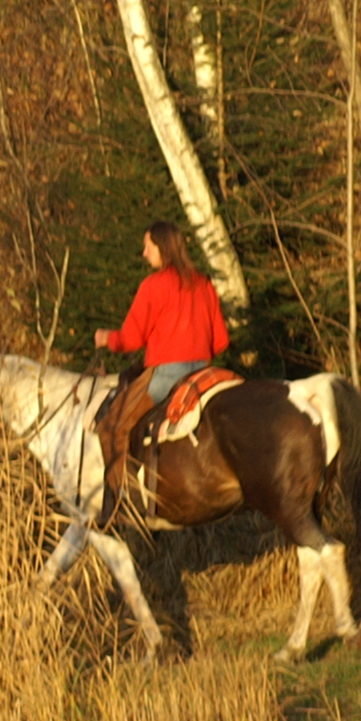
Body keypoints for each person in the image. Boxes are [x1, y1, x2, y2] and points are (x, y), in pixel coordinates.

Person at [92, 221, 229, 522]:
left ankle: (124, 504)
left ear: (162, 248)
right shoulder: (203, 283)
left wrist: (106, 338)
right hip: (204, 374)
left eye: (148, 246)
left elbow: (131, 339)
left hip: (166, 375)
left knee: (110, 429)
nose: (144, 253)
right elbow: (221, 340)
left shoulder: (153, 286)